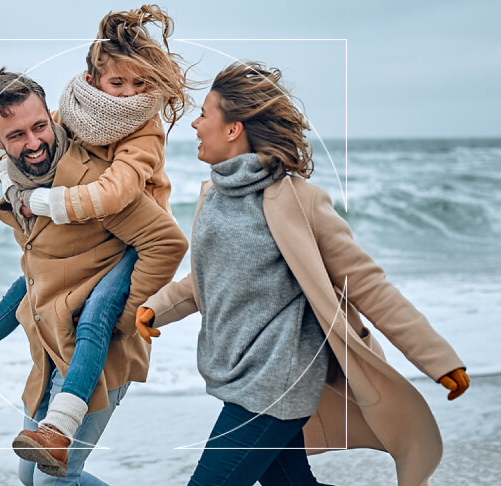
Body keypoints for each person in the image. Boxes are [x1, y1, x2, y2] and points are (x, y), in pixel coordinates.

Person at [0, 7, 192, 480]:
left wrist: (125, 317)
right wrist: (19, 193)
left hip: (97, 353)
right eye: (16, 134)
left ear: (52, 119)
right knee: (31, 477)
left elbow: (167, 242)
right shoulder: (39, 169)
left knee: (53, 480)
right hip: (53, 344)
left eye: (39, 127)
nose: (33, 141)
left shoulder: (100, 178)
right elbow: (38, 264)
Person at [133, 61, 472, 486]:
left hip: (280, 380)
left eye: (204, 114)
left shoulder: (298, 201)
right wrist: (155, 309)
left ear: (234, 128)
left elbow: (367, 284)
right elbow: (204, 283)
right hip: (236, 374)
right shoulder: (213, 195)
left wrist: (437, 359)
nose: (195, 125)